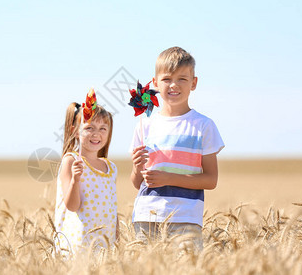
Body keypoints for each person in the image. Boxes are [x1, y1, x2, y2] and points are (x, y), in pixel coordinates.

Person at [130, 46, 224, 251]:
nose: (174, 85)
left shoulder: (203, 125)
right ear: (154, 83)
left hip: (186, 218)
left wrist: (169, 179)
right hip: (146, 216)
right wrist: (137, 168)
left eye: (182, 78)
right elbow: (137, 183)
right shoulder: (145, 125)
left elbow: (211, 180)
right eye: (166, 79)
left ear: (194, 83)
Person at [54, 102, 118, 256]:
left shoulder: (111, 168)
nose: (96, 134)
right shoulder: (71, 161)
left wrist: (117, 238)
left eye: (103, 128)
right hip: (78, 243)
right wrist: (76, 180)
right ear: (75, 131)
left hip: (104, 244)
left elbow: (113, 207)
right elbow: (72, 206)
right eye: (89, 128)